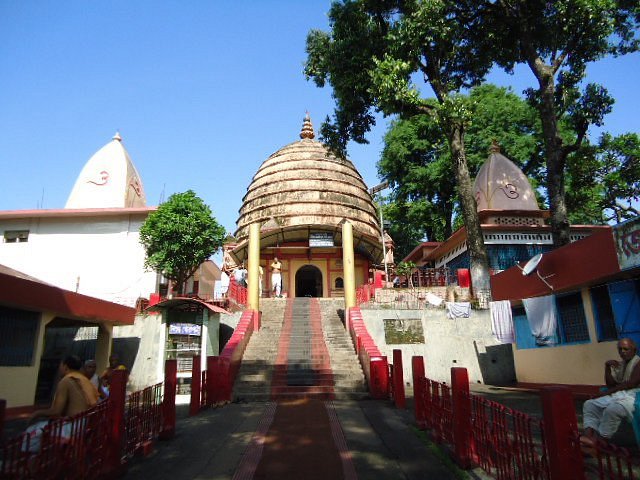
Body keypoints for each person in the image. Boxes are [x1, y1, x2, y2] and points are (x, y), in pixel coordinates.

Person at [24, 355, 99, 452]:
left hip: (72, 426)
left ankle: (31, 463)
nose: (59, 368)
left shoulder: (66, 381)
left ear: (65, 366)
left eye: (60, 365)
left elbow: (56, 411)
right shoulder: (84, 380)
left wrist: (36, 413)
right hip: (84, 423)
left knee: (30, 434)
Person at [580, 338, 640, 449]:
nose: (622, 352)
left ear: (634, 350)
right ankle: (588, 438)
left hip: (635, 396)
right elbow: (611, 384)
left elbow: (630, 384)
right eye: (620, 349)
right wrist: (607, 368)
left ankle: (600, 443)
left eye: (626, 349)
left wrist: (605, 393)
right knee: (590, 404)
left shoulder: (638, 363)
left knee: (613, 409)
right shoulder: (622, 365)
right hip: (621, 394)